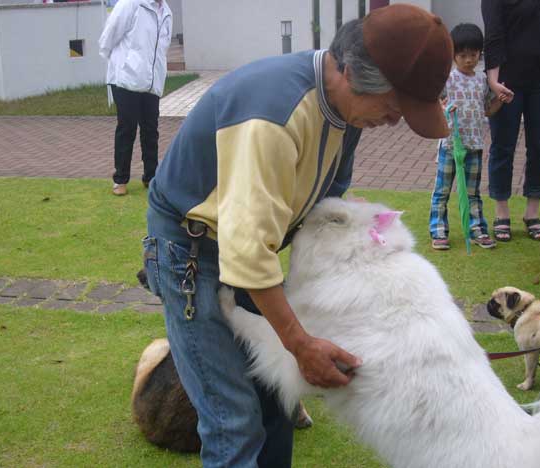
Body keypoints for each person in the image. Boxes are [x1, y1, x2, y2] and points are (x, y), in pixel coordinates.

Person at [142, 4, 452, 467]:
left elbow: (324, 193)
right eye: (392, 109)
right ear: (351, 72)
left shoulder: (346, 110)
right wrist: (300, 343)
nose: (393, 123)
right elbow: (247, 251)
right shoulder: (272, 117)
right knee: (232, 419)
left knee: (275, 401)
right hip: (191, 248)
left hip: (251, 246)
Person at [481, 0, 540, 241]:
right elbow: (493, 34)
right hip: (507, 79)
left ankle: (532, 213)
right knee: (503, 146)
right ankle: (502, 212)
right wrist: (493, 80)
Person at [429, 23, 503, 251]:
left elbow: (488, 110)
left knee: (472, 192)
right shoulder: (447, 79)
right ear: (453, 56)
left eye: (473, 55)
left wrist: (500, 99)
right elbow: (433, 101)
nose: (469, 60)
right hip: (450, 145)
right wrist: (443, 109)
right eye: (463, 55)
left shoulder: (482, 81)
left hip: (474, 146)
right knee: (442, 191)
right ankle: (439, 231)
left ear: (480, 54)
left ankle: (478, 230)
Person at [98, 0, 172, 196]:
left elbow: (162, 48)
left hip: (151, 81)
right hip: (125, 79)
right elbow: (109, 35)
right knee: (127, 128)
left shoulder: (166, 12)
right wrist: (119, 63)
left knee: (151, 129)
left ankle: (151, 177)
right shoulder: (130, 4)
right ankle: (120, 179)